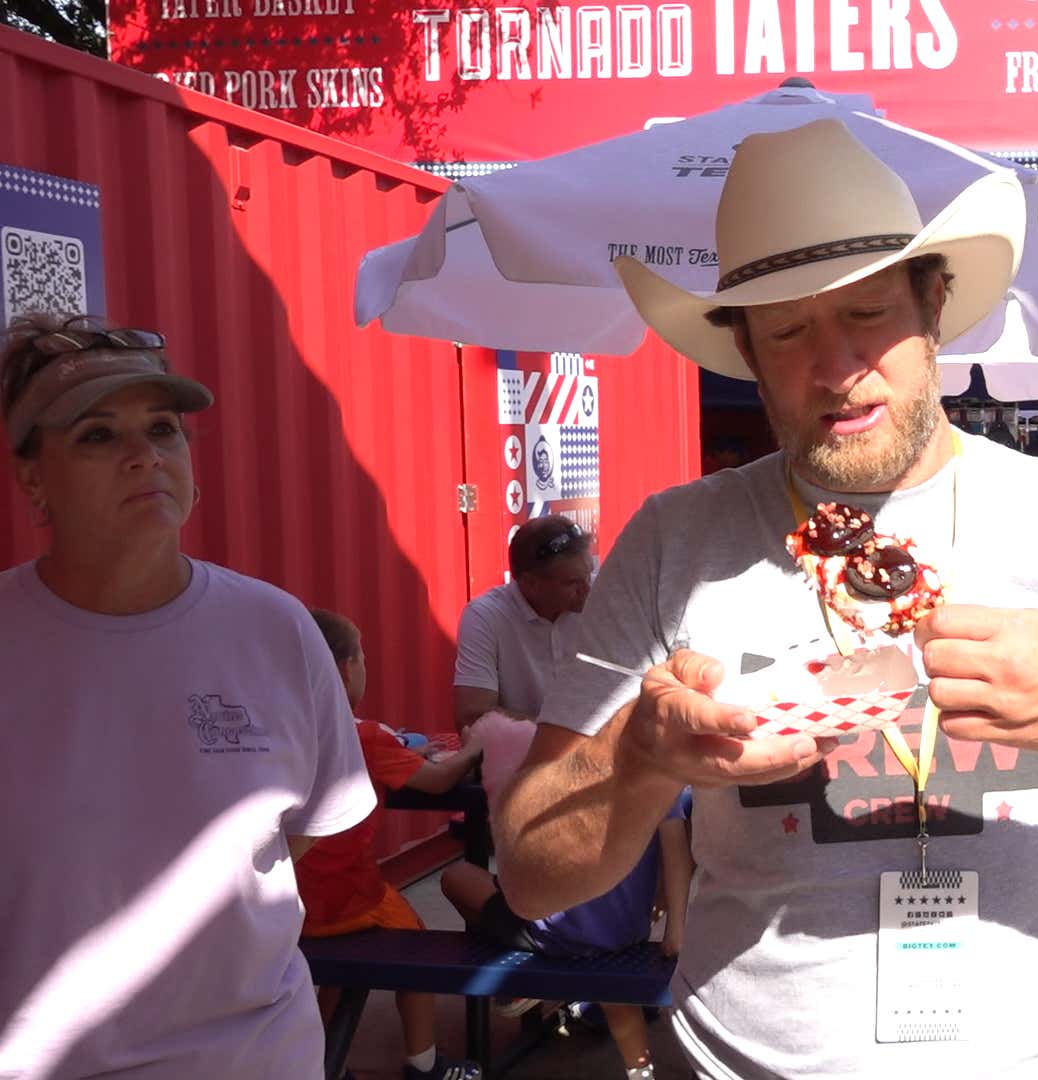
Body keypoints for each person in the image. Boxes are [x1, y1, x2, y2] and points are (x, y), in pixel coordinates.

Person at [492, 119, 1038, 1079]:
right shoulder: (673, 541)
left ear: (934, 304)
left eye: (867, 314)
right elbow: (528, 872)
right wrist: (640, 757)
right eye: (788, 330)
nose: (837, 366)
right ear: (744, 352)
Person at [0, 313, 374, 1076]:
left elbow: (288, 839)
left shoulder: (277, 629)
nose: (144, 456)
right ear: (33, 477)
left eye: (163, 429)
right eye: (99, 435)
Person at [441, 710, 692, 1080]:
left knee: (457, 876)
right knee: (608, 976)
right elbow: (676, 854)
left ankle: (525, 978)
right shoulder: (658, 775)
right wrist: (675, 931)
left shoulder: (551, 766)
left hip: (550, 934)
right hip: (624, 934)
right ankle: (641, 1072)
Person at [298, 610, 484, 1080]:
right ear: (344, 669)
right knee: (415, 948)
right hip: (351, 901)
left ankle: (318, 1065)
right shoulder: (366, 735)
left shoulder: (283, 730)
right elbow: (441, 782)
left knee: (338, 970)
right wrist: (475, 748)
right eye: (361, 658)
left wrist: (401, 750)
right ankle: (425, 1064)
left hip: (292, 906)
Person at [452, 514, 595, 730]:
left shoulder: (603, 597)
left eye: (589, 575)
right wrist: (562, 735)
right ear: (530, 583)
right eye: (572, 582)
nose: (587, 589)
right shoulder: (486, 616)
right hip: (522, 756)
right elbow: (473, 715)